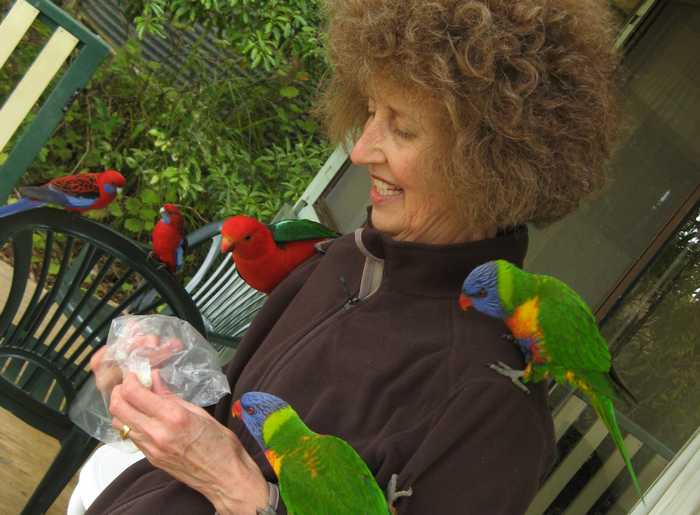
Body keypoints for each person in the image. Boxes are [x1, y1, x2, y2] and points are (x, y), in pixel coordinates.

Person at [80, 0, 621, 513]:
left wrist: (244, 494)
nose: (360, 150)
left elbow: (230, 471)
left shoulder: (494, 409)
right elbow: (231, 428)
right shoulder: (340, 261)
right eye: (369, 111)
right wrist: (158, 402)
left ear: (490, 163)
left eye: (403, 128)